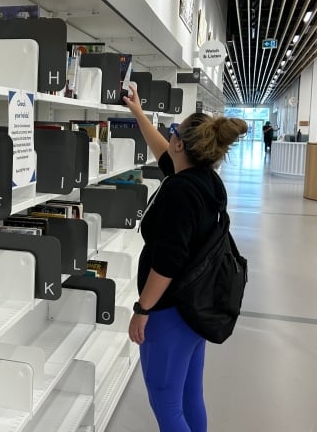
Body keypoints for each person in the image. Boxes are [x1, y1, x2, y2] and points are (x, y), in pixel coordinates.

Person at [123, 86, 246, 432]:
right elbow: (164, 153)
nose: (168, 138)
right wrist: (138, 112)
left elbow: (168, 261)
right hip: (194, 309)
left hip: (169, 310)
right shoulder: (205, 180)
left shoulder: (180, 191)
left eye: (172, 131)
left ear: (181, 144)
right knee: (190, 396)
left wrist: (143, 309)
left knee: (166, 405)